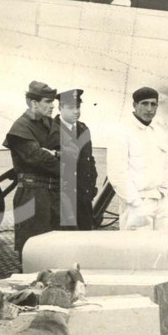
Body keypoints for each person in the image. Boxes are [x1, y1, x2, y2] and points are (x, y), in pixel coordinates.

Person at [106, 86, 168, 230]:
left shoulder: (159, 132)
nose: (149, 109)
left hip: (162, 203)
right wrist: (135, 203)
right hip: (139, 203)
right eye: (144, 104)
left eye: (153, 104)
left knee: (163, 248)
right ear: (135, 105)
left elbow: (167, 169)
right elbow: (117, 174)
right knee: (138, 250)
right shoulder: (121, 132)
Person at [5, 81, 61, 253]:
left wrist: (54, 154)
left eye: (53, 102)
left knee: (56, 249)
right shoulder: (20, 127)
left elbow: (72, 153)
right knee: (33, 250)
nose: (53, 106)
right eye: (48, 102)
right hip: (32, 196)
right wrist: (56, 157)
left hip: (54, 195)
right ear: (34, 103)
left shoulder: (51, 125)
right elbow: (37, 158)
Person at [53, 88, 98, 231]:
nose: (76, 111)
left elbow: (89, 161)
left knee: (85, 238)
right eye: (71, 107)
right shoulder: (52, 129)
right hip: (63, 199)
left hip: (83, 197)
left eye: (78, 107)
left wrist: (90, 188)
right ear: (60, 108)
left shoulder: (83, 129)